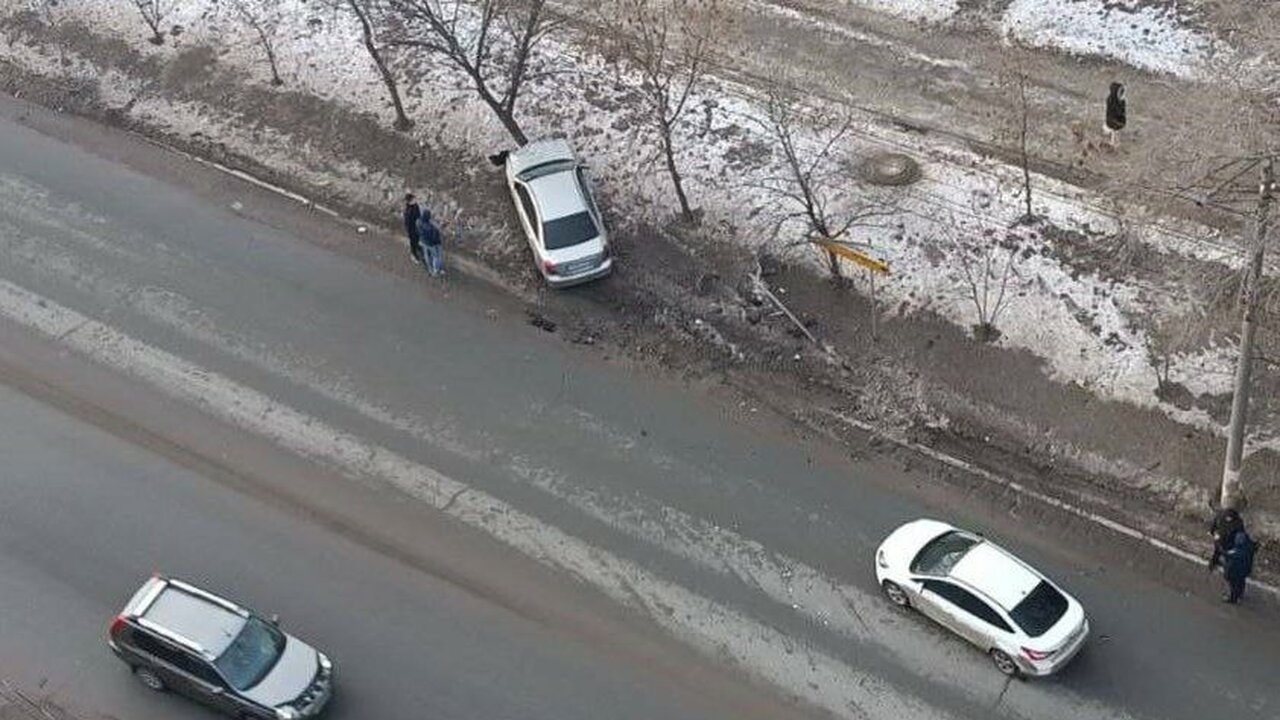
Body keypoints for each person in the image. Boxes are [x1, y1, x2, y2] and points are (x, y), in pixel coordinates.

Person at [1222, 529, 1256, 604]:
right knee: (1241, 582)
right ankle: (1240, 594)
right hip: (1244, 570)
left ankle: (1233, 599)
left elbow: (1227, 554)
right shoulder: (1249, 549)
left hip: (1234, 571)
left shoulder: (1236, 552)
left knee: (1233, 585)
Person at [417, 209, 444, 276]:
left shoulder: (418, 222)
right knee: (437, 256)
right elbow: (435, 235)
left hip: (424, 241)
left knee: (427, 255)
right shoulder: (431, 228)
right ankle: (436, 270)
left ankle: (430, 269)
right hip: (433, 244)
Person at [403, 193, 423, 264]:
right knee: (413, 241)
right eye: (413, 199)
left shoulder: (415, 206)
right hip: (412, 230)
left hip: (417, 227)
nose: (415, 200)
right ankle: (413, 254)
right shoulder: (408, 211)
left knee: (417, 239)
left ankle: (417, 246)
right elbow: (408, 223)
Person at [1104, 82, 1126, 148]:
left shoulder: (1111, 99)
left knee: (1116, 130)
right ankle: (1113, 141)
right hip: (1113, 120)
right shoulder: (1112, 100)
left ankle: (1114, 140)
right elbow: (1118, 111)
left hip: (1117, 120)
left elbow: (1122, 111)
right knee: (1114, 129)